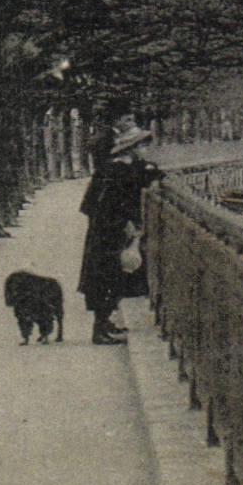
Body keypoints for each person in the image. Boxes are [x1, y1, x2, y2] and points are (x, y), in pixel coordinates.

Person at [77, 117, 161, 344]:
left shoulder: (117, 168)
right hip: (109, 233)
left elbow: (89, 204)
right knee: (107, 277)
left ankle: (105, 324)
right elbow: (111, 204)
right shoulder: (120, 171)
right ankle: (100, 330)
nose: (145, 149)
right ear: (132, 148)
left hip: (103, 231)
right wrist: (125, 224)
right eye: (142, 145)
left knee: (108, 278)